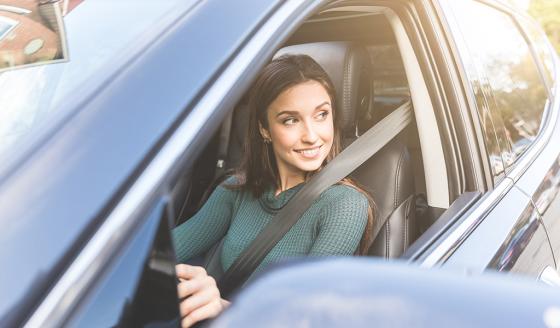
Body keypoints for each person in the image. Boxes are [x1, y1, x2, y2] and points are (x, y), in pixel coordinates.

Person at [172, 54, 375, 327]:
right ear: (264, 129)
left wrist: (221, 307)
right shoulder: (236, 190)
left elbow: (305, 315)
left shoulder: (345, 205)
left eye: (321, 115)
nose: (312, 135)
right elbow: (170, 249)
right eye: (291, 120)